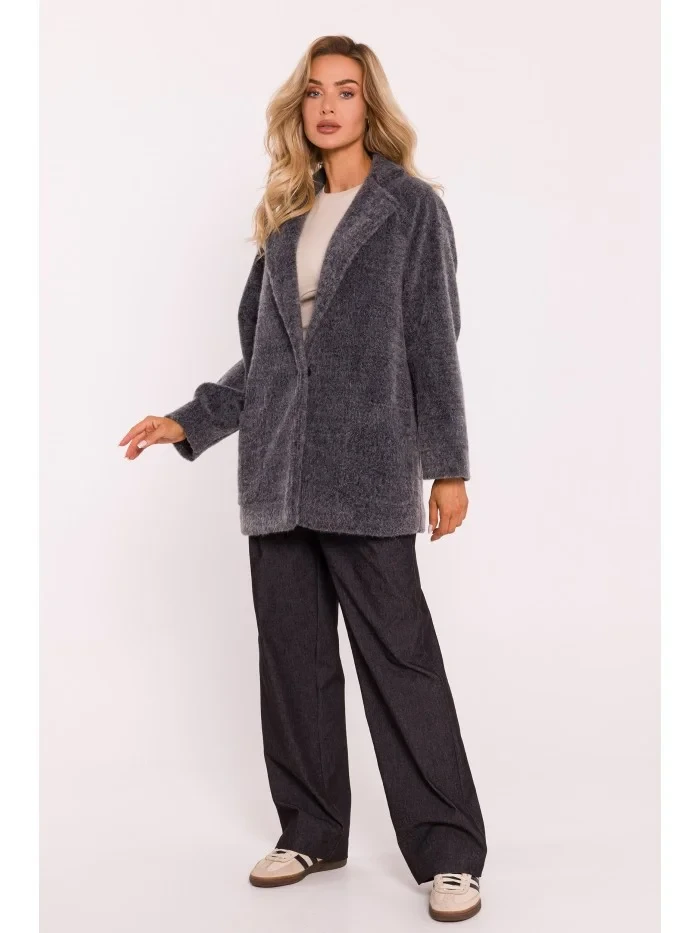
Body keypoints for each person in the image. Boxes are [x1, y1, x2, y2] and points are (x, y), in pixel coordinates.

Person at [118, 35, 487, 923]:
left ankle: (448, 852)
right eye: (316, 91)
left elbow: (433, 341)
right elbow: (267, 359)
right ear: (300, 108)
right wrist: (190, 420)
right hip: (277, 477)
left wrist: (447, 466)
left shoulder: (409, 209)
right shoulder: (286, 215)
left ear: (370, 105)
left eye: (346, 91)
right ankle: (312, 830)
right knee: (293, 664)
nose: (328, 106)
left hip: (368, 469)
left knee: (400, 662)